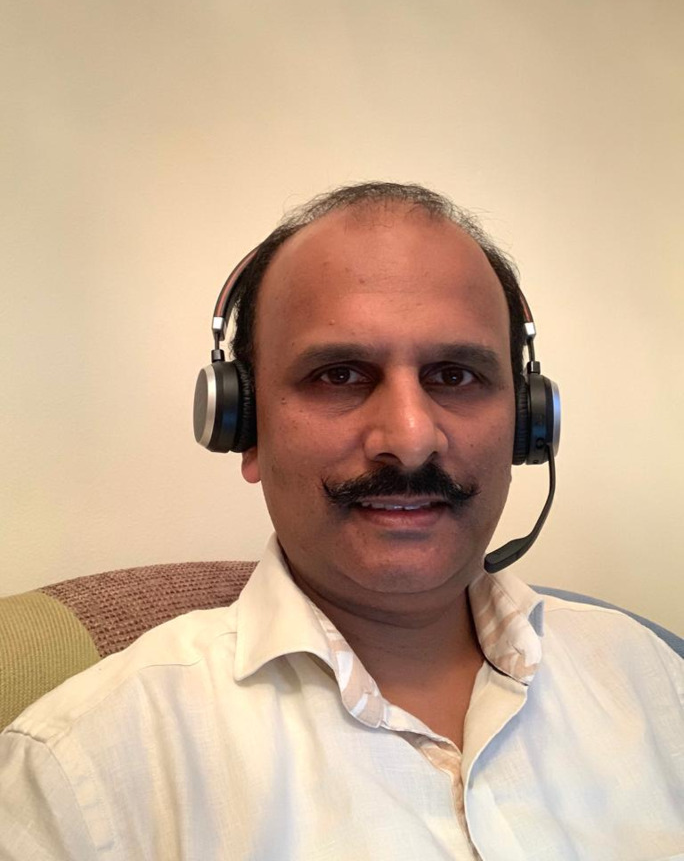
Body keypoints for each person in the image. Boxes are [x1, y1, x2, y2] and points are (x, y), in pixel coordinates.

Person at [0, 183, 681, 860]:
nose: (410, 440)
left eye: (454, 376)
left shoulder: (652, 678)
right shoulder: (80, 774)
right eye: (339, 375)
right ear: (243, 426)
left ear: (528, 424)